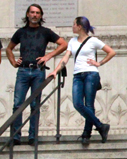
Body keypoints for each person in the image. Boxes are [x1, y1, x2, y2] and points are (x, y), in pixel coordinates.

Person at [6, 4, 68, 145]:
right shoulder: (21, 32)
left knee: (35, 104)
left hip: (38, 71)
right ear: (28, 14)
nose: (35, 15)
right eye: (32, 12)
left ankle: (33, 136)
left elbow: (63, 44)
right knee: (17, 104)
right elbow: (9, 48)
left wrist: (48, 56)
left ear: (41, 15)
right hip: (22, 70)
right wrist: (13, 62)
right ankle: (16, 136)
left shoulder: (45, 32)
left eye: (37, 13)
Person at [48, 17, 115, 145]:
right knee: (77, 103)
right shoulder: (72, 41)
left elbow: (111, 52)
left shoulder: (93, 41)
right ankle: (101, 126)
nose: (72, 27)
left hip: (91, 74)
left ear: (79, 26)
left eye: (74, 24)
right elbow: (66, 58)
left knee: (89, 104)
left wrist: (99, 63)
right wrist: (55, 71)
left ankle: (86, 134)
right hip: (77, 75)